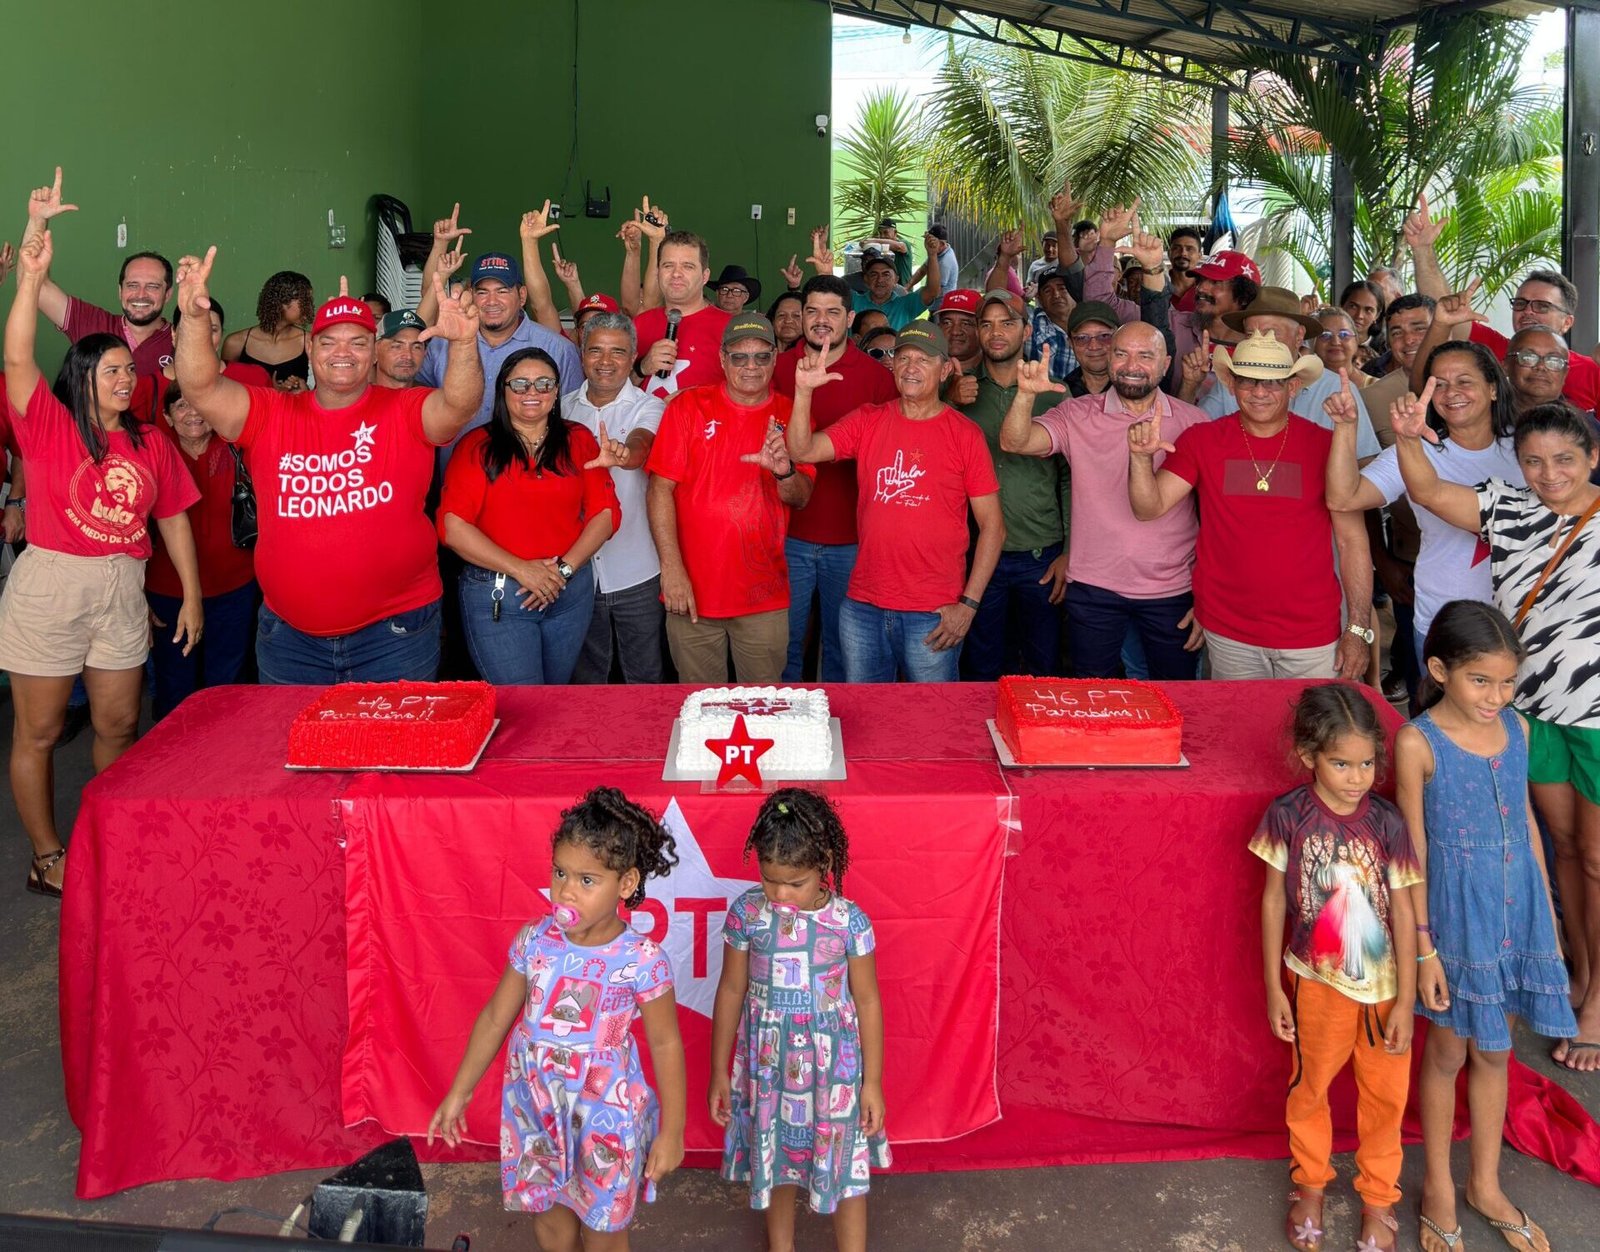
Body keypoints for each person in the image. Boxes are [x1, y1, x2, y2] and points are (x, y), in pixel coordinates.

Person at [1389, 397, 1600, 1074]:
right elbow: (1426, 490)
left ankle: (1598, 1003)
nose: (1549, 473)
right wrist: (1407, 439)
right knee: (1564, 848)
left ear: (1593, 457)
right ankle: (1577, 972)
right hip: (1526, 712)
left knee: (1597, 859)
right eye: (1534, 461)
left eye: (1564, 459)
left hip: (1597, 716)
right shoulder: (1507, 506)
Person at [174, 251, 485, 685]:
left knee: (395, 734)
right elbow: (200, 387)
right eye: (329, 341)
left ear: (373, 352)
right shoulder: (268, 412)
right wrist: (192, 319)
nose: (343, 352)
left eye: (357, 342)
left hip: (395, 634)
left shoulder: (406, 408)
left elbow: (459, 405)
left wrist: (465, 344)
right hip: (290, 641)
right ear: (309, 347)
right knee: (294, 734)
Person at [1, 228, 201, 898]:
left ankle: (110, 834)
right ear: (81, 374)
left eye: (128, 370)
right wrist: (31, 276)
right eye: (110, 369)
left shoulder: (150, 442)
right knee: (40, 731)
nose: (124, 379)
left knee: (119, 723)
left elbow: (172, 517)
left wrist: (191, 595)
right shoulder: (48, 424)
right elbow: (17, 353)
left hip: (122, 586)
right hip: (52, 584)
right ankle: (47, 855)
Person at [427, 787, 686, 1252]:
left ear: (626, 884)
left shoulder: (643, 959)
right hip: (536, 1105)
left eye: (587, 880)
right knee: (549, 1219)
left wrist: (673, 1131)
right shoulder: (534, 940)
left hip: (604, 1113)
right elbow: (495, 1017)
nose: (566, 890)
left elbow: (667, 1044)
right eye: (560, 872)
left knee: (603, 1230)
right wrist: (459, 1091)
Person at [1397, 602, 1576, 1251]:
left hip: (1517, 908)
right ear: (1439, 669)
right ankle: (1439, 1188)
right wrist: (1424, 949)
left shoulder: (1518, 729)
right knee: (1448, 1052)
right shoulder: (1417, 742)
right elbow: (1413, 853)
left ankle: (1486, 1183)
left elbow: (1526, 823)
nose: (1496, 697)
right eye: (1481, 681)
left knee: (1497, 1052)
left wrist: (1546, 920)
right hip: (1456, 922)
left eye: (1506, 682)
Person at [1254, 684, 1419, 1252]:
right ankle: (1310, 1185)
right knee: (1311, 1087)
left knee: (1386, 1098)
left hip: (1384, 990)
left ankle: (1380, 1198)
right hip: (1315, 982)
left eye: (1367, 763)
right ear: (1309, 756)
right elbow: (1272, 900)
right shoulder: (1287, 816)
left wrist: (1405, 999)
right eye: (1341, 764)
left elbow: (1404, 908)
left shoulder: (1389, 822)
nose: (1357, 777)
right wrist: (1274, 985)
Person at [1129, 331, 1374, 681]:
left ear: (1292, 387)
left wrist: (1357, 629)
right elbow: (1148, 508)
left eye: (1272, 382)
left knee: (1314, 719)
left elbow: (1353, 542)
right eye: (1248, 381)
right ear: (1231, 385)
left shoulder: (1325, 445)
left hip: (1312, 633)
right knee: (1241, 718)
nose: (1259, 392)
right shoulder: (1201, 440)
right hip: (1229, 632)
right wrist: (1140, 459)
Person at [709, 788, 888, 1252]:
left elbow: (867, 1000)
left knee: (845, 1167)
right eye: (770, 881)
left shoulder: (849, 922)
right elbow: (731, 990)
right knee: (778, 1164)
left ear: (824, 862)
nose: (781, 895)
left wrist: (872, 1082)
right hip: (769, 1068)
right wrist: (718, 1071)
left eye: (795, 883)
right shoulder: (747, 914)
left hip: (835, 1071)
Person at [784, 322, 1004, 682]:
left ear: (944, 370)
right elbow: (802, 450)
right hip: (863, 606)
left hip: (934, 611)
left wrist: (968, 605)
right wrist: (803, 391)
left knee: (931, 711)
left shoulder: (965, 435)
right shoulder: (868, 420)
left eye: (923, 360)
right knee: (866, 711)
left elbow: (993, 527)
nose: (910, 367)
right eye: (903, 358)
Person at [1001, 327, 1206, 679]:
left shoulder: (1195, 423)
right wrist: (1025, 395)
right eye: (1122, 354)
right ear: (1109, 359)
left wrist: (1208, 597)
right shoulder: (1076, 413)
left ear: (1165, 364)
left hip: (1173, 589)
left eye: (1145, 356)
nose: (1132, 365)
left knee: (1176, 694)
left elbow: (1214, 517)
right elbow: (1015, 442)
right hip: (1093, 588)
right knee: (1094, 695)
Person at [645, 313, 814, 683]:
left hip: (763, 596)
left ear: (775, 358)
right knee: (701, 704)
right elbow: (660, 488)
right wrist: (671, 570)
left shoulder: (791, 413)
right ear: (723, 359)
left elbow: (802, 497)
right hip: (691, 591)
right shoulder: (688, 406)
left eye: (761, 356)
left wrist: (784, 471)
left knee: (764, 704)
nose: (751, 366)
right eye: (739, 357)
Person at [1325, 343, 1523, 654]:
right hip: (1442, 624)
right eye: (1439, 385)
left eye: (1464, 381)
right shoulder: (1415, 449)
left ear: (1493, 388)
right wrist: (1346, 427)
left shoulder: (1529, 449)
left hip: (1522, 622)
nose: (1451, 392)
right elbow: (1344, 498)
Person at [438, 350, 621, 686]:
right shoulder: (477, 446)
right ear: (503, 390)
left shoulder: (578, 439)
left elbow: (605, 513)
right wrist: (522, 570)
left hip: (569, 591)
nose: (532, 392)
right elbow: (454, 527)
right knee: (522, 703)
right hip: (501, 594)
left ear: (556, 391)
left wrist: (561, 572)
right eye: (520, 384)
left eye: (544, 384)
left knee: (555, 695)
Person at [773, 276, 897, 682]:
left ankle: (836, 719)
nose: (821, 320)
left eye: (832, 312)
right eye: (812, 311)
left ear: (850, 318)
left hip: (852, 539)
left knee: (844, 649)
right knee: (783, 646)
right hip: (786, 535)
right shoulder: (777, 367)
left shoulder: (877, 378)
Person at [955, 291, 1070, 679]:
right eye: (986, 324)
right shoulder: (961, 390)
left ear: (1027, 331)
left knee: (1043, 666)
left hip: (1040, 553)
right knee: (980, 666)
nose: (996, 333)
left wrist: (1070, 550)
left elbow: (1070, 479)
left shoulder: (1053, 392)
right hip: (975, 552)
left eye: (1007, 323)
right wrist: (949, 398)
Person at [22, 168, 173, 423]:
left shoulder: (184, 340)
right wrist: (37, 220)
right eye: (132, 285)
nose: (140, 294)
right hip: (91, 444)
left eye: (153, 286)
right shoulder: (93, 323)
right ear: (120, 290)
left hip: (157, 446)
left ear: (168, 294)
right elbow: (37, 288)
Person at [145, 380, 258, 721]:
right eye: (181, 405)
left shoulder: (238, 448)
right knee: (175, 685)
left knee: (227, 683)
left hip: (233, 587)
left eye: (199, 404)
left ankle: (222, 751)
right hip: (168, 592)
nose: (193, 413)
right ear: (167, 416)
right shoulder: (153, 455)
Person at [566, 312, 667, 685]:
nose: (605, 361)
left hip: (637, 571)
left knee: (645, 677)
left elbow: (642, 444)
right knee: (586, 681)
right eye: (596, 350)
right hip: (577, 574)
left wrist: (624, 455)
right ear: (582, 355)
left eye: (618, 352)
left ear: (634, 356)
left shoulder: (649, 406)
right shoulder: (559, 409)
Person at [421, 251, 583, 468]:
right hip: (452, 476)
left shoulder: (558, 349)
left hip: (532, 478)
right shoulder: (442, 344)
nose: (491, 301)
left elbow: (573, 421)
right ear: (471, 295)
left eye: (502, 291)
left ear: (522, 296)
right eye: (482, 292)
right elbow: (414, 399)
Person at [1195, 288, 1383, 458]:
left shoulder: (1336, 389)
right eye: (1251, 334)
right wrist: (1190, 385)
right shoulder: (1230, 382)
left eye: (1271, 333)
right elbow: (1195, 434)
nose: (1260, 342)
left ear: (1299, 335)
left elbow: (1365, 461)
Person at [634, 229, 732, 400]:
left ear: (705, 276)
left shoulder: (731, 328)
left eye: (688, 266)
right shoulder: (639, 324)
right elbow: (612, 391)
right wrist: (642, 368)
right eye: (668, 265)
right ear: (658, 272)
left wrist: (694, 400)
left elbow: (751, 395)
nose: (676, 274)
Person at [222, 270, 314, 390]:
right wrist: (270, 390)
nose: (310, 308)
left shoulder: (309, 342)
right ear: (282, 302)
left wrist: (305, 391)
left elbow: (324, 391)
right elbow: (223, 389)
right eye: (305, 301)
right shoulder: (236, 343)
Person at [849, 248, 941, 331]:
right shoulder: (853, 301)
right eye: (874, 275)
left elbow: (932, 291)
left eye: (886, 275)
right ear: (866, 279)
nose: (880, 280)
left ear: (896, 280)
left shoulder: (906, 304)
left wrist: (932, 255)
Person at [374, 309, 427, 389]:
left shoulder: (432, 395)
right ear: (375, 350)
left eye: (416, 347)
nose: (408, 356)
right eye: (397, 346)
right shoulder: (357, 394)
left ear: (425, 352)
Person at [1167, 227, 1204, 312]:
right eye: (1177, 248)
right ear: (1169, 253)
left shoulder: (1208, 289)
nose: (1183, 253)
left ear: (1199, 255)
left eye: (1189, 249)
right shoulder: (1157, 285)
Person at [766, 290, 803, 354]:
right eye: (782, 315)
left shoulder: (813, 357)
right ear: (772, 321)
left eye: (796, 316)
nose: (788, 321)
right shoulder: (761, 354)